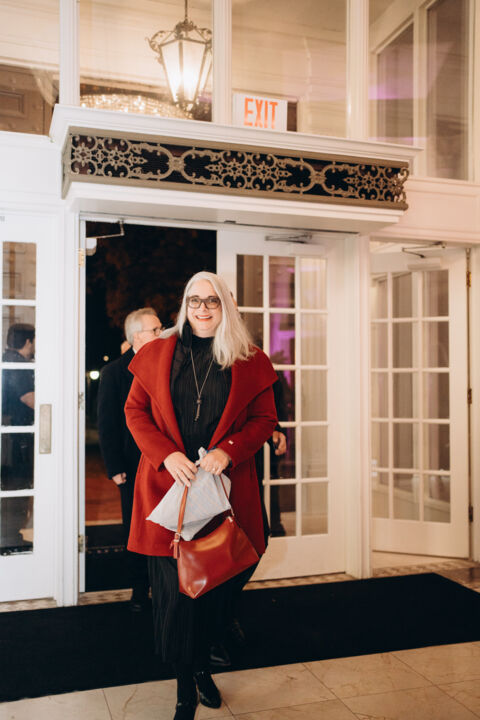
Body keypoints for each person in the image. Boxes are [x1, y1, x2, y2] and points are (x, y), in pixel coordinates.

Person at [125, 271, 278, 720]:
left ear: (225, 305)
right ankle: (184, 689)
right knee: (175, 599)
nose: (203, 309)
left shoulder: (249, 358)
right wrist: (166, 454)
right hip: (166, 492)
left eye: (212, 300)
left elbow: (264, 420)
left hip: (222, 496)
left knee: (215, 590)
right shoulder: (157, 352)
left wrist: (229, 451)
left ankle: (201, 668)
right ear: (184, 305)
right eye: (195, 300)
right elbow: (135, 412)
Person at [97, 307, 162, 611]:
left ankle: (165, 586)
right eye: (155, 330)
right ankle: (139, 588)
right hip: (131, 464)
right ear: (137, 337)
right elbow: (107, 423)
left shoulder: (168, 365)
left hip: (166, 461)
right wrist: (114, 467)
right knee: (135, 527)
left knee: (165, 525)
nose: (161, 334)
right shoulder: (114, 373)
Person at [1, 323, 35, 550]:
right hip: (17, 438)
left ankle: (9, 535)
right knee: (18, 485)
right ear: (28, 341)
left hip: (10, 435)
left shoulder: (7, 359)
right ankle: (10, 536)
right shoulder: (18, 365)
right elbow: (31, 399)